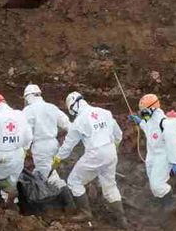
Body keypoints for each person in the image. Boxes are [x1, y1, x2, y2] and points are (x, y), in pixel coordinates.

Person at [54, 92, 127, 228]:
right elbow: (118, 135)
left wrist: (58, 158)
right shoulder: (105, 112)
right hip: (111, 152)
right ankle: (122, 220)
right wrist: (114, 147)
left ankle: (85, 212)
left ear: (73, 107)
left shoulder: (79, 121)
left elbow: (68, 145)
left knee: (74, 181)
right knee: (110, 185)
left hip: (95, 153)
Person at [128, 94, 176, 215]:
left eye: (145, 111)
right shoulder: (150, 120)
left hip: (163, 156)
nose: (143, 113)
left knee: (157, 185)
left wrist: (175, 162)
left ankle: (171, 202)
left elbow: (172, 143)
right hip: (152, 155)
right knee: (153, 185)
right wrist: (139, 121)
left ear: (153, 108)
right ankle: (162, 203)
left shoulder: (165, 123)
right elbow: (148, 129)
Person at [23, 84, 72, 191]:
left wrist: (24, 149)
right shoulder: (52, 107)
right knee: (49, 171)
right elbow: (67, 124)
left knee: (44, 176)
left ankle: (64, 199)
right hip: (54, 145)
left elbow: (26, 132)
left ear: (28, 97)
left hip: (40, 147)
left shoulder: (28, 111)